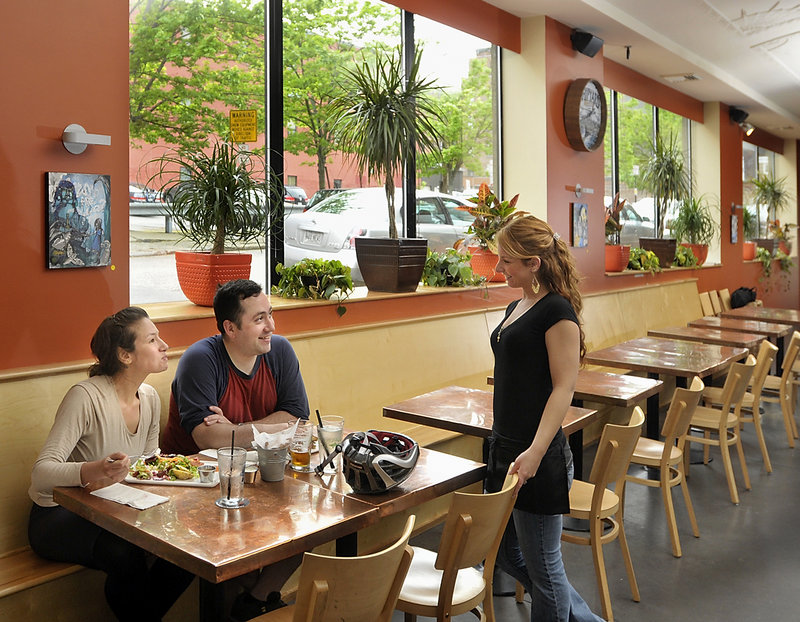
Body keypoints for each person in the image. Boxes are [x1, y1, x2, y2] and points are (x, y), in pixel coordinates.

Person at [28, 307, 194, 622]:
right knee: (125, 553)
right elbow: (41, 474)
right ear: (125, 355)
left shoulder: (148, 397)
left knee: (186, 548)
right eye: (152, 339)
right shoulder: (85, 396)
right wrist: (95, 470)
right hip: (57, 516)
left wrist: (177, 472)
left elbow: (148, 466)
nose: (164, 345)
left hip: (114, 511)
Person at [161, 279, 310, 621]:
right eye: (259, 319)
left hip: (254, 478)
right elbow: (207, 439)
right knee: (232, 549)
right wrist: (269, 427)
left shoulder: (280, 351)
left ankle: (254, 601)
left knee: (303, 528)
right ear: (230, 327)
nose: (270, 326)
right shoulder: (201, 359)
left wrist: (236, 430)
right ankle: (248, 605)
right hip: (193, 489)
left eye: (270, 315)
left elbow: (298, 419)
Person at [485, 214, 603, 622]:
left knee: (544, 566)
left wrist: (535, 453)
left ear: (534, 264)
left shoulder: (557, 313)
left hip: (536, 455)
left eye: (507, 262)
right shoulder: (520, 304)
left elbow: (563, 389)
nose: (499, 268)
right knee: (503, 551)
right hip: (506, 445)